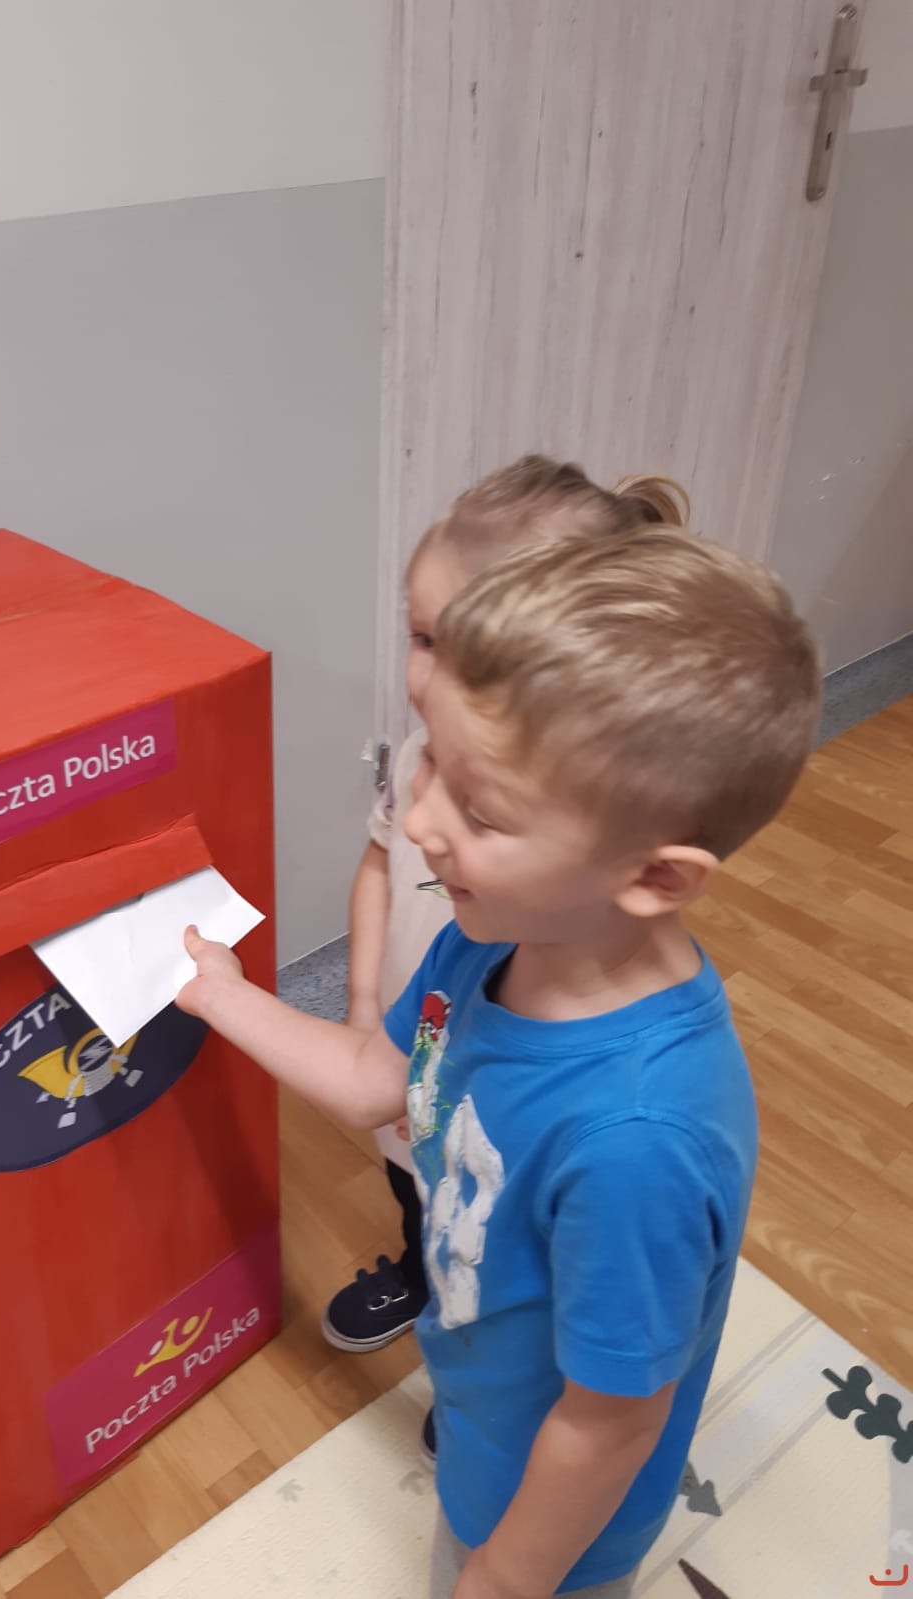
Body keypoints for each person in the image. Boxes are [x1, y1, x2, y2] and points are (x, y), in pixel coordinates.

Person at [176, 511, 820, 1597]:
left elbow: (612, 1421)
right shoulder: (492, 947)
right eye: (431, 762)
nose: (422, 825)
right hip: (485, 1430)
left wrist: (506, 1580)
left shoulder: (637, 1142)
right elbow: (376, 1082)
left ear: (654, 878)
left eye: (478, 810)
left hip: (555, 1542)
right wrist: (221, 996)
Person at [323, 459, 689, 1474]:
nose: (426, 825)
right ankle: (423, 1276)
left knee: (485, 1229)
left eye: (479, 816)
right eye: (422, 637)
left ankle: (481, 1372)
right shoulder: (418, 758)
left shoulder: (568, 845)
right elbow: (379, 864)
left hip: (478, 1077)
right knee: (416, 1186)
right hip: (410, 1042)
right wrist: (363, 1000)